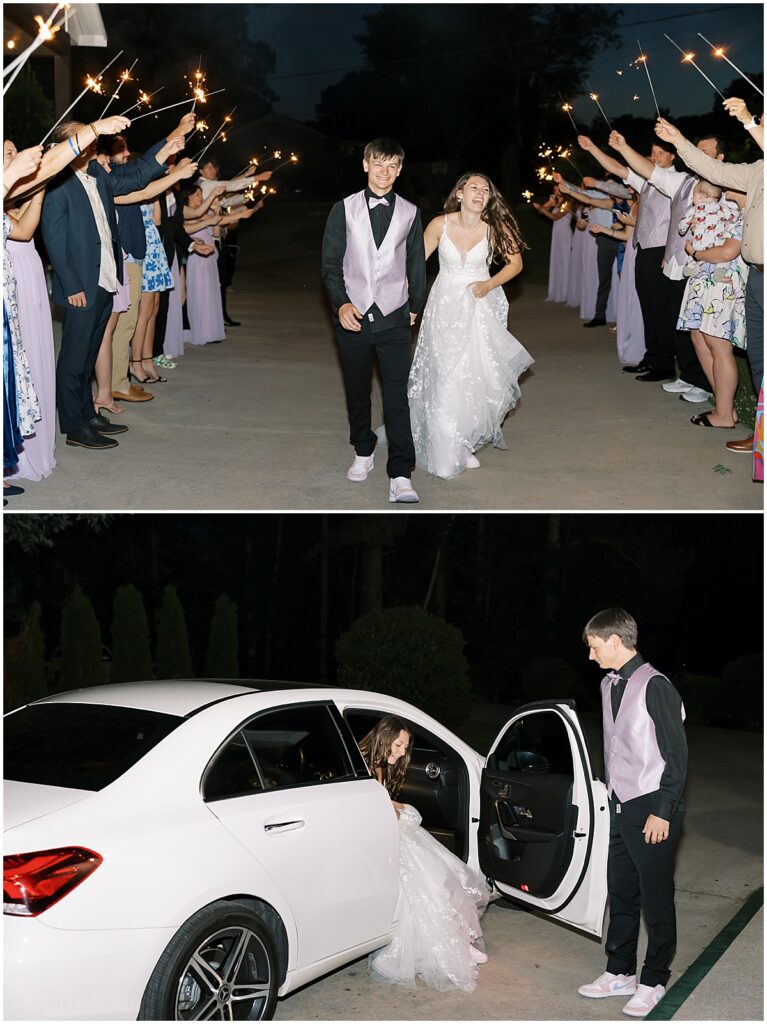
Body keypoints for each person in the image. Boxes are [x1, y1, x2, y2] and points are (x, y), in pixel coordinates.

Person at [580, 609, 687, 1019]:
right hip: (620, 806)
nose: (591, 656)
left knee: (656, 900)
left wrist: (664, 811)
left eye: (593, 646)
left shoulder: (656, 685)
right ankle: (619, 971)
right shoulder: (609, 686)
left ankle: (654, 978)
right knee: (621, 894)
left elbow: (677, 758)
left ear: (614, 640)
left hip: (652, 806)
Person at [408, 172, 533, 478]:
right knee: (445, 372)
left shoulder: (495, 228)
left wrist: (490, 284)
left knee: (473, 374)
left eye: (486, 190)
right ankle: (443, 448)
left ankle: (462, 442)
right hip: (444, 305)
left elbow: (515, 264)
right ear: (460, 193)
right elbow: (415, 265)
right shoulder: (440, 224)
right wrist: (408, 304)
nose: (480, 192)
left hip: (479, 306)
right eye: (474, 187)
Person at [321, 138, 426, 504]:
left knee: (397, 396)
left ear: (400, 169)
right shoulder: (343, 209)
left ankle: (400, 473)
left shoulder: (411, 212)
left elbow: (416, 264)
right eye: (378, 164)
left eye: (392, 165)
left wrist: (414, 307)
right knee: (357, 389)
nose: (384, 171)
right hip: (354, 316)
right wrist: (342, 304)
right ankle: (363, 449)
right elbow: (331, 265)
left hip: (395, 316)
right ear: (365, 165)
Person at [655, 104, 763, 458]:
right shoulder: (755, 171)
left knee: (723, 345)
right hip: (744, 276)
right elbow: (713, 170)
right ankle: (736, 415)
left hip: (730, 276)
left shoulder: (735, 202)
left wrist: (747, 119)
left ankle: (735, 418)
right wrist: (680, 141)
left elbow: (728, 251)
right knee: (738, 353)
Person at [358, 716, 492, 992]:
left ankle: (461, 943)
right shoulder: (364, 764)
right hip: (378, 840)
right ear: (384, 738)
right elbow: (371, 809)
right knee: (428, 882)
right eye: (398, 744)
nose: (402, 752)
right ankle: (455, 949)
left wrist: (401, 806)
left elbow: (382, 800)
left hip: (389, 834)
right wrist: (399, 812)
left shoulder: (380, 766)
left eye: (405, 747)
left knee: (444, 876)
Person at [676, 182, 748, 429]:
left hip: (721, 282)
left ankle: (724, 414)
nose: (726, 188)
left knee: (718, 343)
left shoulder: (748, 214)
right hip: (703, 278)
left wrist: (696, 254)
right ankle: (725, 407)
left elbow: (727, 253)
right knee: (698, 337)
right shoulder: (729, 211)